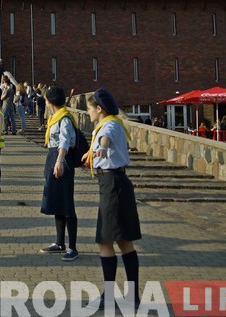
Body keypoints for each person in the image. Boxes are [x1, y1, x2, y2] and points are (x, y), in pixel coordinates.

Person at [83, 88, 142, 311]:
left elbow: (105, 140)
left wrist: (99, 149)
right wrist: (91, 154)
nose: (88, 113)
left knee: (106, 240)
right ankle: (132, 296)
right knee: (122, 241)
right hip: (113, 184)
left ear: (99, 109)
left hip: (113, 185)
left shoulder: (109, 125)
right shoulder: (112, 123)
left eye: (89, 109)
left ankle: (113, 297)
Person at [39, 86, 80, 262]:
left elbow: (65, 141)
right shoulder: (55, 117)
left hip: (61, 159)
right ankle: (59, 242)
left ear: (50, 101)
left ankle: (72, 247)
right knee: (56, 202)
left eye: (46, 99)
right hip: (53, 156)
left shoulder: (64, 119)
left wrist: (59, 161)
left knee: (66, 203)